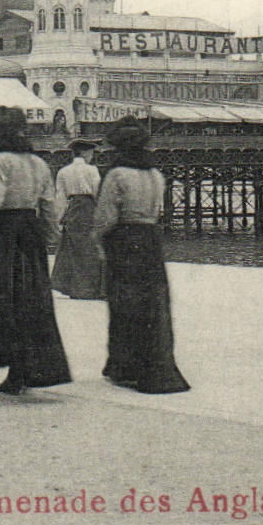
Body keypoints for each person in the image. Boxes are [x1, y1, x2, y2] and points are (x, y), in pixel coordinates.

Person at [0, 106, 72, 395]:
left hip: (4, 232)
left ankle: (13, 364)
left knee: (1, 297)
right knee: (33, 299)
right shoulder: (39, 163)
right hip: (30, 232)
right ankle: (31, 366)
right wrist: (52, 234)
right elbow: (49, 205)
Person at [94, 118, 189, 393]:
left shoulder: (117, 175)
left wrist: (97, 239)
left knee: (125, 303)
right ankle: (156, 363)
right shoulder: (155, 175)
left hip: (124, 240)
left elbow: (106, 216)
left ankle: (126, 366)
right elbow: (157, 209)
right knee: (153, 303)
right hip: (150, 240)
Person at [51, 137, 104, 299]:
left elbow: (60, 198)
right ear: (86, 152)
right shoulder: (92, 170)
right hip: (88, 209)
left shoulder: (63, 171)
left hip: (73, 209)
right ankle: (90, 289)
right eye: (91, 152)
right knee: (90, 248)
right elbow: (97, 192)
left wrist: (58, 219)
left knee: (74, 249)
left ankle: (73, 287)